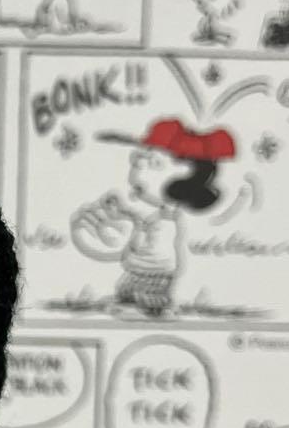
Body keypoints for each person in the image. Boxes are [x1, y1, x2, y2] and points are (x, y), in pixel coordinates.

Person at [71, 119, 236, 317]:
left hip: (154, 271)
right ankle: (132, 303)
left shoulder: (165, 220)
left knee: (148, 294)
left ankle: (154, 309)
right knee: (126, 289)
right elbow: (138, 221)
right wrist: (120, 211)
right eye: (141, 161)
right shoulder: (158, 214)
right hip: (139, 266)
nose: (137, 168)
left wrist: (124, 233)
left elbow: (147, 240)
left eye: (153, 163)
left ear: (181, 183)